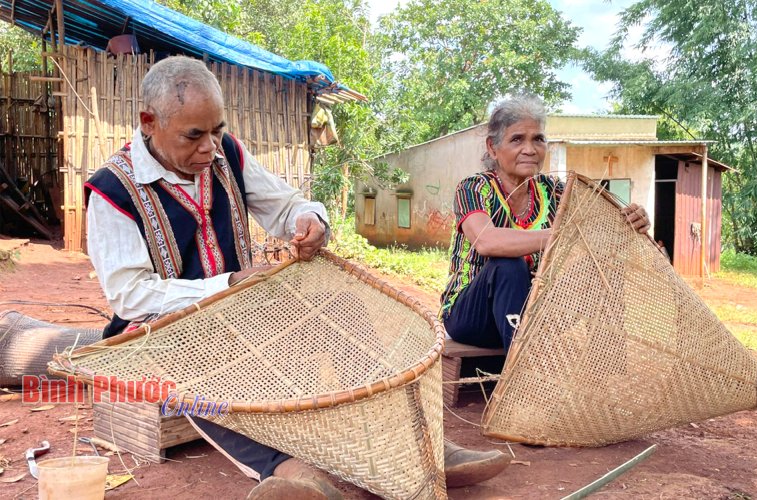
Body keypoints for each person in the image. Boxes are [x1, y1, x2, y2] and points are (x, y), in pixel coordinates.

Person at [84, 55, 509, 499]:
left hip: (241, 308)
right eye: (194, 135)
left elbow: (285, 206)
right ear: (148, 122)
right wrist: (226, 286)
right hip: (161, 333)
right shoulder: (111, 190)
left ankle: (414, 442)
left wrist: (310, 220)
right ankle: (298, 476)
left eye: (218, 130)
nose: (210, 146)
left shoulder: (227, 155)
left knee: (339, 307)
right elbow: (130, 295)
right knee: (196, 376)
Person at [441, 95, 651, 351]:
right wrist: (559, 234)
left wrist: (630, 219)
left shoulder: (554, 191)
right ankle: (521, 374)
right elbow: (487, 242)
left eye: (538, 139)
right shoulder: (474, 187)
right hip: (472, 318)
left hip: (531, 310)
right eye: (517, 139)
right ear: (493, 148)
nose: (530, 149)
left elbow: (600, 226)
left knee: (604, 266)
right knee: (507, 264)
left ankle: (603, 370)